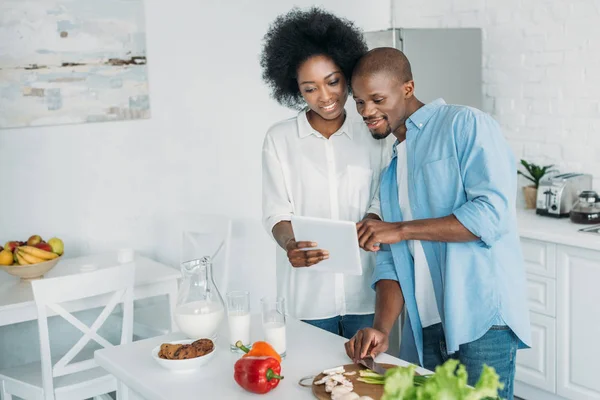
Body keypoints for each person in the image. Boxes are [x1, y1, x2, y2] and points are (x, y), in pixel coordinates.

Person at [344, 47, 531, 400]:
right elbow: (390, 260)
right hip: (427, 327)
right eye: (359, 102)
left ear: (408, 88)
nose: (367, 111)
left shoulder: (464, 124)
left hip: (481, 320)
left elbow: (491, 214)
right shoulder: (391, 169)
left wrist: (400, 229)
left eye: (377, 99)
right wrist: (382, 329)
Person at [260, 8, 391, 339]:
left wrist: (373, 217)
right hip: (308, 298)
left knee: (365, 387)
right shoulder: (280, 139)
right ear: (295, 90)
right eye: (310, 88)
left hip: (368, 293)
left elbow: (383, 195)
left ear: (346, 74)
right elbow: (276, 211)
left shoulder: (374, 133)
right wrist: (290, 243)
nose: (326, 96)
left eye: (332, 81)